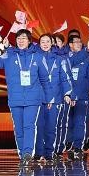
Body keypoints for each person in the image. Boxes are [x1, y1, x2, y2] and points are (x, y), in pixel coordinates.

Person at [0, 29, 50, 166]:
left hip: (33, 98)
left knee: (29, 126)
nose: (21, 41)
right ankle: (22, 154)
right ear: (15, 41)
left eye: (24, 38)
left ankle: (28, 153)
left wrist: (48, 98)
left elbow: (45, 79)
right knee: (19, 128)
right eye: (19, 38)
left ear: (29, 41)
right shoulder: (9, 55)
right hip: (15, 98)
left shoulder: (37, 57)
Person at [35, 33, 73, 163]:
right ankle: (38, 153)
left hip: (55, 98)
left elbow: (65, 78)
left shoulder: (60, 59)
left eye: (47, 41)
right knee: (39, 127)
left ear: (52, 43)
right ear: (39, 44)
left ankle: (49, 153)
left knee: (51, 128)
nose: (45, 44)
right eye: (42, 42)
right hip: (39, 98)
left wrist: (67, 94)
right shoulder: (36, 58)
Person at [65, 35, 89, 159]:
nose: (79, 44)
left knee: (80, 122)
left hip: (82, 96)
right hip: (67, 97)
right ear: (70, 45)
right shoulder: (65, 58)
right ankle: (68, 142)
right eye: (76, 42)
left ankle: (78, 146)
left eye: (80, 42)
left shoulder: (86, 58)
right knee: (68, 122)